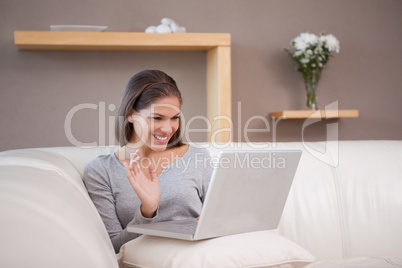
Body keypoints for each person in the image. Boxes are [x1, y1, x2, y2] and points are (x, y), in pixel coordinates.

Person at [83, 70, 213, 253]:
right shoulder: (101, 171)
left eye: (174, 118)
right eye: (157, 118)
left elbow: (221, 220)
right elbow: (112, 248)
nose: (168, 129)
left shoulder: (198, 157)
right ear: (130, 114)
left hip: (202, 257)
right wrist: (147, 211)